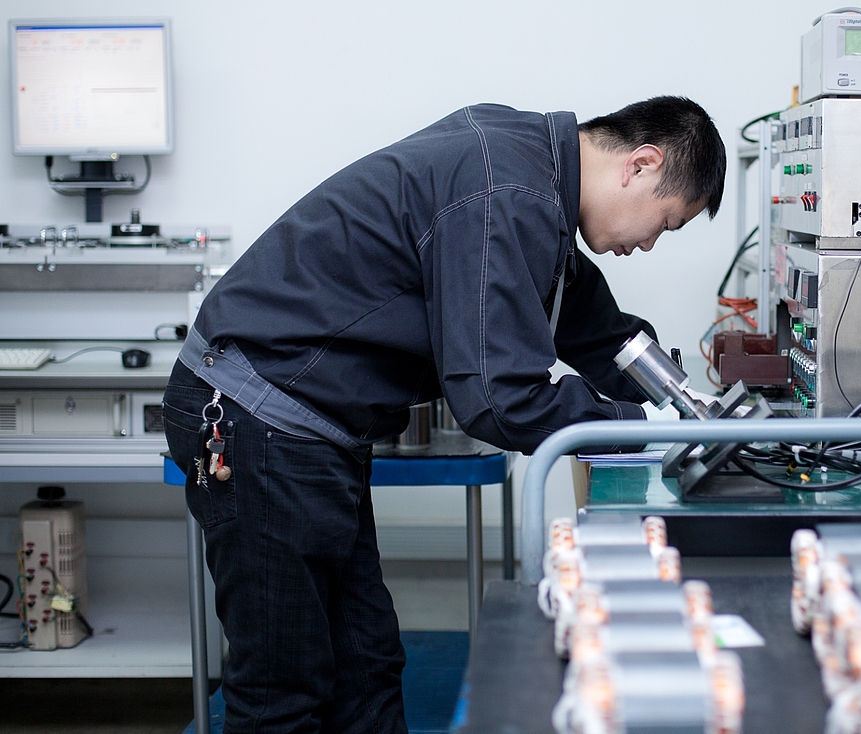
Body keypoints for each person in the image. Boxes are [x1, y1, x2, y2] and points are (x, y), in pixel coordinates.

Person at [163, 96, 726, 733]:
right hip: (258, 420)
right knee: (282, 694)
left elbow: (595, 328)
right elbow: (499, 398)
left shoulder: (529, 172)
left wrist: (685, 402)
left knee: (365, 670)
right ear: (641, 164)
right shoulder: (507, 189)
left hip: (310, 430)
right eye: (665, 223)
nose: (649, 243)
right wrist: (643, 427)